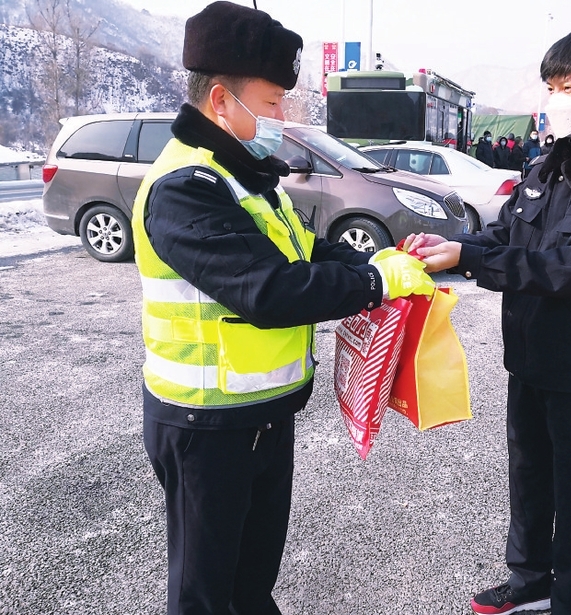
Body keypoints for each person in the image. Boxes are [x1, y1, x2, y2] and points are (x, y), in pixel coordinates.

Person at [131, 3, 435, 614]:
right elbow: (267, 290)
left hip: (261, 415)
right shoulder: (186, 187)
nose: (280, 118)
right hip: (206, 425)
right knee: (206, 593)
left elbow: (306, 253)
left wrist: (382, 260)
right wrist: (375, 285)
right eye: (271, 104)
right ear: (221, 100)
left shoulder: (243, 177)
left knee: (250, 583)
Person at [405, 27, 571, 615]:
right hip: (527, 355)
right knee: (527, 478)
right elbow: (505, 235)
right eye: (550, 86)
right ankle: (530, 581)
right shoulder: (547, 164)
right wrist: (448, 245)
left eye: (568, 86)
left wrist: (470, 260)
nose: (555, 99)